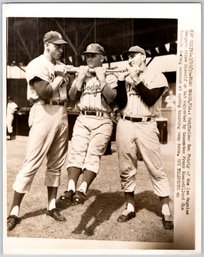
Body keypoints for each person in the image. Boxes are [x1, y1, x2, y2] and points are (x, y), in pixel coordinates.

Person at [7, 31, 72, 231]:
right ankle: (15, 210)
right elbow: (44, 91)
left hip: (61, 111)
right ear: (46, 45)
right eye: (57, 46)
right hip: (43, 109)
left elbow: (69, 95)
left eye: (62, 46)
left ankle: (51, 206)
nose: (61, 49)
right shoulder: (37, 64)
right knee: (32, 162)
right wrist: (62, 77)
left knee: (56, 163)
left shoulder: (60, 66)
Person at [115, 45, 174, 230]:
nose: (130, 59)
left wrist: (135, 79)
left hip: (146, 124)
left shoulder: (157, 76)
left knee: (155, 167)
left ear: (143, 56)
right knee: (126, 166)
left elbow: (150, 99)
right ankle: (130, 206)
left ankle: (165, 209)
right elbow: (121, 102)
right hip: (125, 122)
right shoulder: (126, 77)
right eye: (128, 56)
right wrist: (119, 81)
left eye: (133, 55)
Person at [57, 43, 122, 206]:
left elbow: (112, 98)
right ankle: (70, 188)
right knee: (76, 152)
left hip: (103, 118)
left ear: (102, 57)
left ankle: (83, 189)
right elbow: (72, 97)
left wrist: (101, 79)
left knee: (93, 155)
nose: (89, 58)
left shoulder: (109, 75)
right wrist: (79, 78)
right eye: (87, 55)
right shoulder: (82, 73)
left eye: (93, 55)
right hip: (83, 117)